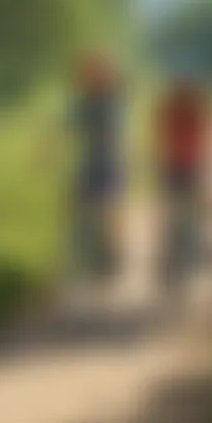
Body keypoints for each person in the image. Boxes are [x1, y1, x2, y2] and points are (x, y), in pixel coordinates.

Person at [69, 51, 125, 286]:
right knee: (77, 207)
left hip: (108, 161)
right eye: (86, 73)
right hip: (90, 162)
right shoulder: (84, 102)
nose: (88, 77)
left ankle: (111, 255)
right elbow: (70, 125)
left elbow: (116, 132)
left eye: (93, 72)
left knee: (106, 211)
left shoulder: (111, 101)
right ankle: (83, 257)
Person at [155, 73, 210, 297]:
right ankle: (177, 263)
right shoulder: (182, 111)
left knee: (178, 217)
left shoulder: (179, 111)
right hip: (181, 167)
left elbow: (203, 142)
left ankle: (177, 263)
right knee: (181, 217)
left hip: (180, 167)